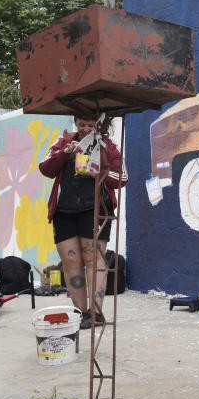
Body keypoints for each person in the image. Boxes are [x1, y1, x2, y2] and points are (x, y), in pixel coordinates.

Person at [39, 115, 127, 330]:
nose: (86, 129)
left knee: (94, 261)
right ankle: (81, 312)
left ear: (98, 125)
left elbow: (122, 178)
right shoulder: (63, 142)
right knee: (71, 263)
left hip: (95, 210)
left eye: (90, 125)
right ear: (75, 123)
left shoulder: (108, 146)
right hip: (64, 211)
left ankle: (96, 313)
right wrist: (65, 153)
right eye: (82, 124)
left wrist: (97, 170)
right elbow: (45, 168)